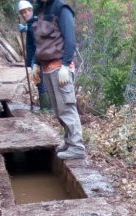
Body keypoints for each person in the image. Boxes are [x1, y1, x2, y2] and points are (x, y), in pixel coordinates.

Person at [31, 0, 87, 160]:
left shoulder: (61, 9)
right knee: (58, 109)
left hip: (59, 67)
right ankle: (69, 142)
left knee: (67, 107)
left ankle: (76, 147)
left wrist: (65, 65)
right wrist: (35, 63)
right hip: (47, 67)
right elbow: (40, 42)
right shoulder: (40, 9)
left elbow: (70, 40)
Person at [17, 0, 51, 112]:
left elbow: (37, 37)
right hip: (36, 59)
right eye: (22, 13)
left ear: (31, 10)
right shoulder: (31, 22)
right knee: (39, 82)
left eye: (26, 12)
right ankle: (45, 107)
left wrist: (34, 62)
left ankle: (46, 108)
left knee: (40, 82)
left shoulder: (35, 22)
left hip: (38, 59)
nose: (24, 14)